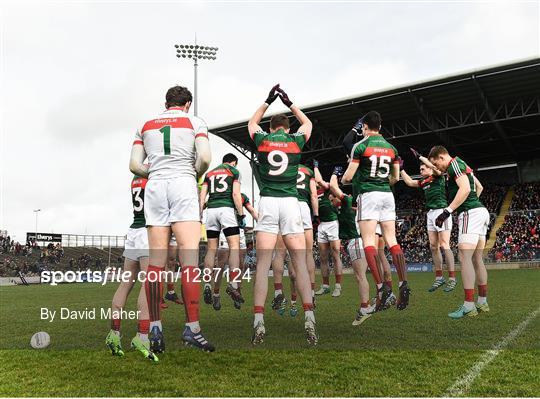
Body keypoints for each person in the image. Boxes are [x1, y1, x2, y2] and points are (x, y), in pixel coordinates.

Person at [129, 85, 214, 352]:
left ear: (166, 103)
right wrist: (193, 173)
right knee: (189, 261)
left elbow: (133, 165)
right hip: (182, 184)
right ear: (187, 103)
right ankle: (192, 329)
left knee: (155, 264)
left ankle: (155, 328)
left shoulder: (146, 124)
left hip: (155, 186)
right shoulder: (195, 121)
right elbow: (204, 158)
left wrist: (155, 174)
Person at [247, 84, 317, 345]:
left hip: (267, 202)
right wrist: (290, 103)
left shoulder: (262, 140)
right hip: (290, 203)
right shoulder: (296, 139)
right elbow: (307, 124)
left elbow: (252, 122)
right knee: (298, 264)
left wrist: (267, 100)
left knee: (263, 265)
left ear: (271, 127)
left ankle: (258, 321)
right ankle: (309, 320)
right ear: (287, 128)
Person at [342, 111, 411, 310]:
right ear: (380, 127)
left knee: (369, 242)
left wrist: (346, 179)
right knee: (392, 241)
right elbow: (395, 178)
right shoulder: (392, 148)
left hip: (369, 195)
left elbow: (348, 177)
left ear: (364, 127)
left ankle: (381, 287)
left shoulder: (361, 146)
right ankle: (403, 283)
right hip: (387, 196)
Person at [428, 146, 489, 319]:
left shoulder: (454, 164)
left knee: (464, 257)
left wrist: (447, 211)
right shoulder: (462, 165)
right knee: (477, 259)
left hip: (470, 213)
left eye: (436, 164)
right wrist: (473, 204)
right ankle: (482, 302)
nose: (437, 168)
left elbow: (466, 189)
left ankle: (469, 305)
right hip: (480, 212)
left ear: (441, 157)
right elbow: (479, 187)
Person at [105, 175, 158, 362]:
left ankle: (114, 334)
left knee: (125, 284)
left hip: (133, 231)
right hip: (146, 231)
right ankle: (142, 337)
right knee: (147, 283)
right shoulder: (155, 175)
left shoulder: (136, 177)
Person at [402, 148, 457, 292]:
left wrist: (420, 157)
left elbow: (433, 167)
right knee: (433, 246)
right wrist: (401, 168)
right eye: (420, 169)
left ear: (430, 168)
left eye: (422, 168)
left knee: (445, 244)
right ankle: (439, 277)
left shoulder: (438, 175)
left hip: (441, 211)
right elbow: (409, 182)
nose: (420, 170)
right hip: (430, 214)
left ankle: (452, 278)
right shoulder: (424, 182)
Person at [328, 168, 375, 325]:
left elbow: (333, 186)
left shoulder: (346, 201)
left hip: (357, 241)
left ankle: (365, 307)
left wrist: (335, 173)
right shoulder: (353, 205)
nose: (330, 202)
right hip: (362, 241)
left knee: (360, 276)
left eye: (331, 200)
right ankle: (375, 300)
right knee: (363, 275)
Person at [271, 163, 319, 313]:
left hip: (285, 205)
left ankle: (278, 291)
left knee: (279, 253)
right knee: (308, 253)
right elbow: (314, 194)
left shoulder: (283, 166)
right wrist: (316, 214)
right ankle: (311, 292)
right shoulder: (308, 170)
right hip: (303, 207)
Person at [200, 153, 245, 309]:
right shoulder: (234, 171)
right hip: (226, 209)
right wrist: (240, 213)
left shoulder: (210, 173)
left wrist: (200, 212)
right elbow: (235, 194)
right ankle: (233, 283)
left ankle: (207, 282)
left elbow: (202, 195)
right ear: (233, 162)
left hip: (211, 210)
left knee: (211, 249)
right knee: (234, 246)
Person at [213, 193, 258, 310]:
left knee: (240, 265)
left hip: (240, 231)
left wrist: (263, 222)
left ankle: (237, 292)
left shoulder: (243, 196)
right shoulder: (222, 196)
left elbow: (252, 210)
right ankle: (216, 294)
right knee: (221, 265)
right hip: (225, 230)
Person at [313, 163, 343, 297]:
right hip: (321, 225)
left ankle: (338, 286)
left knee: (336, 255)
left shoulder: (326, 188)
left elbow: (320, 180)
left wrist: (316, 167)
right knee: (323, 258)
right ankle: (325, 286)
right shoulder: (313, 192)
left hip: (332, 223)